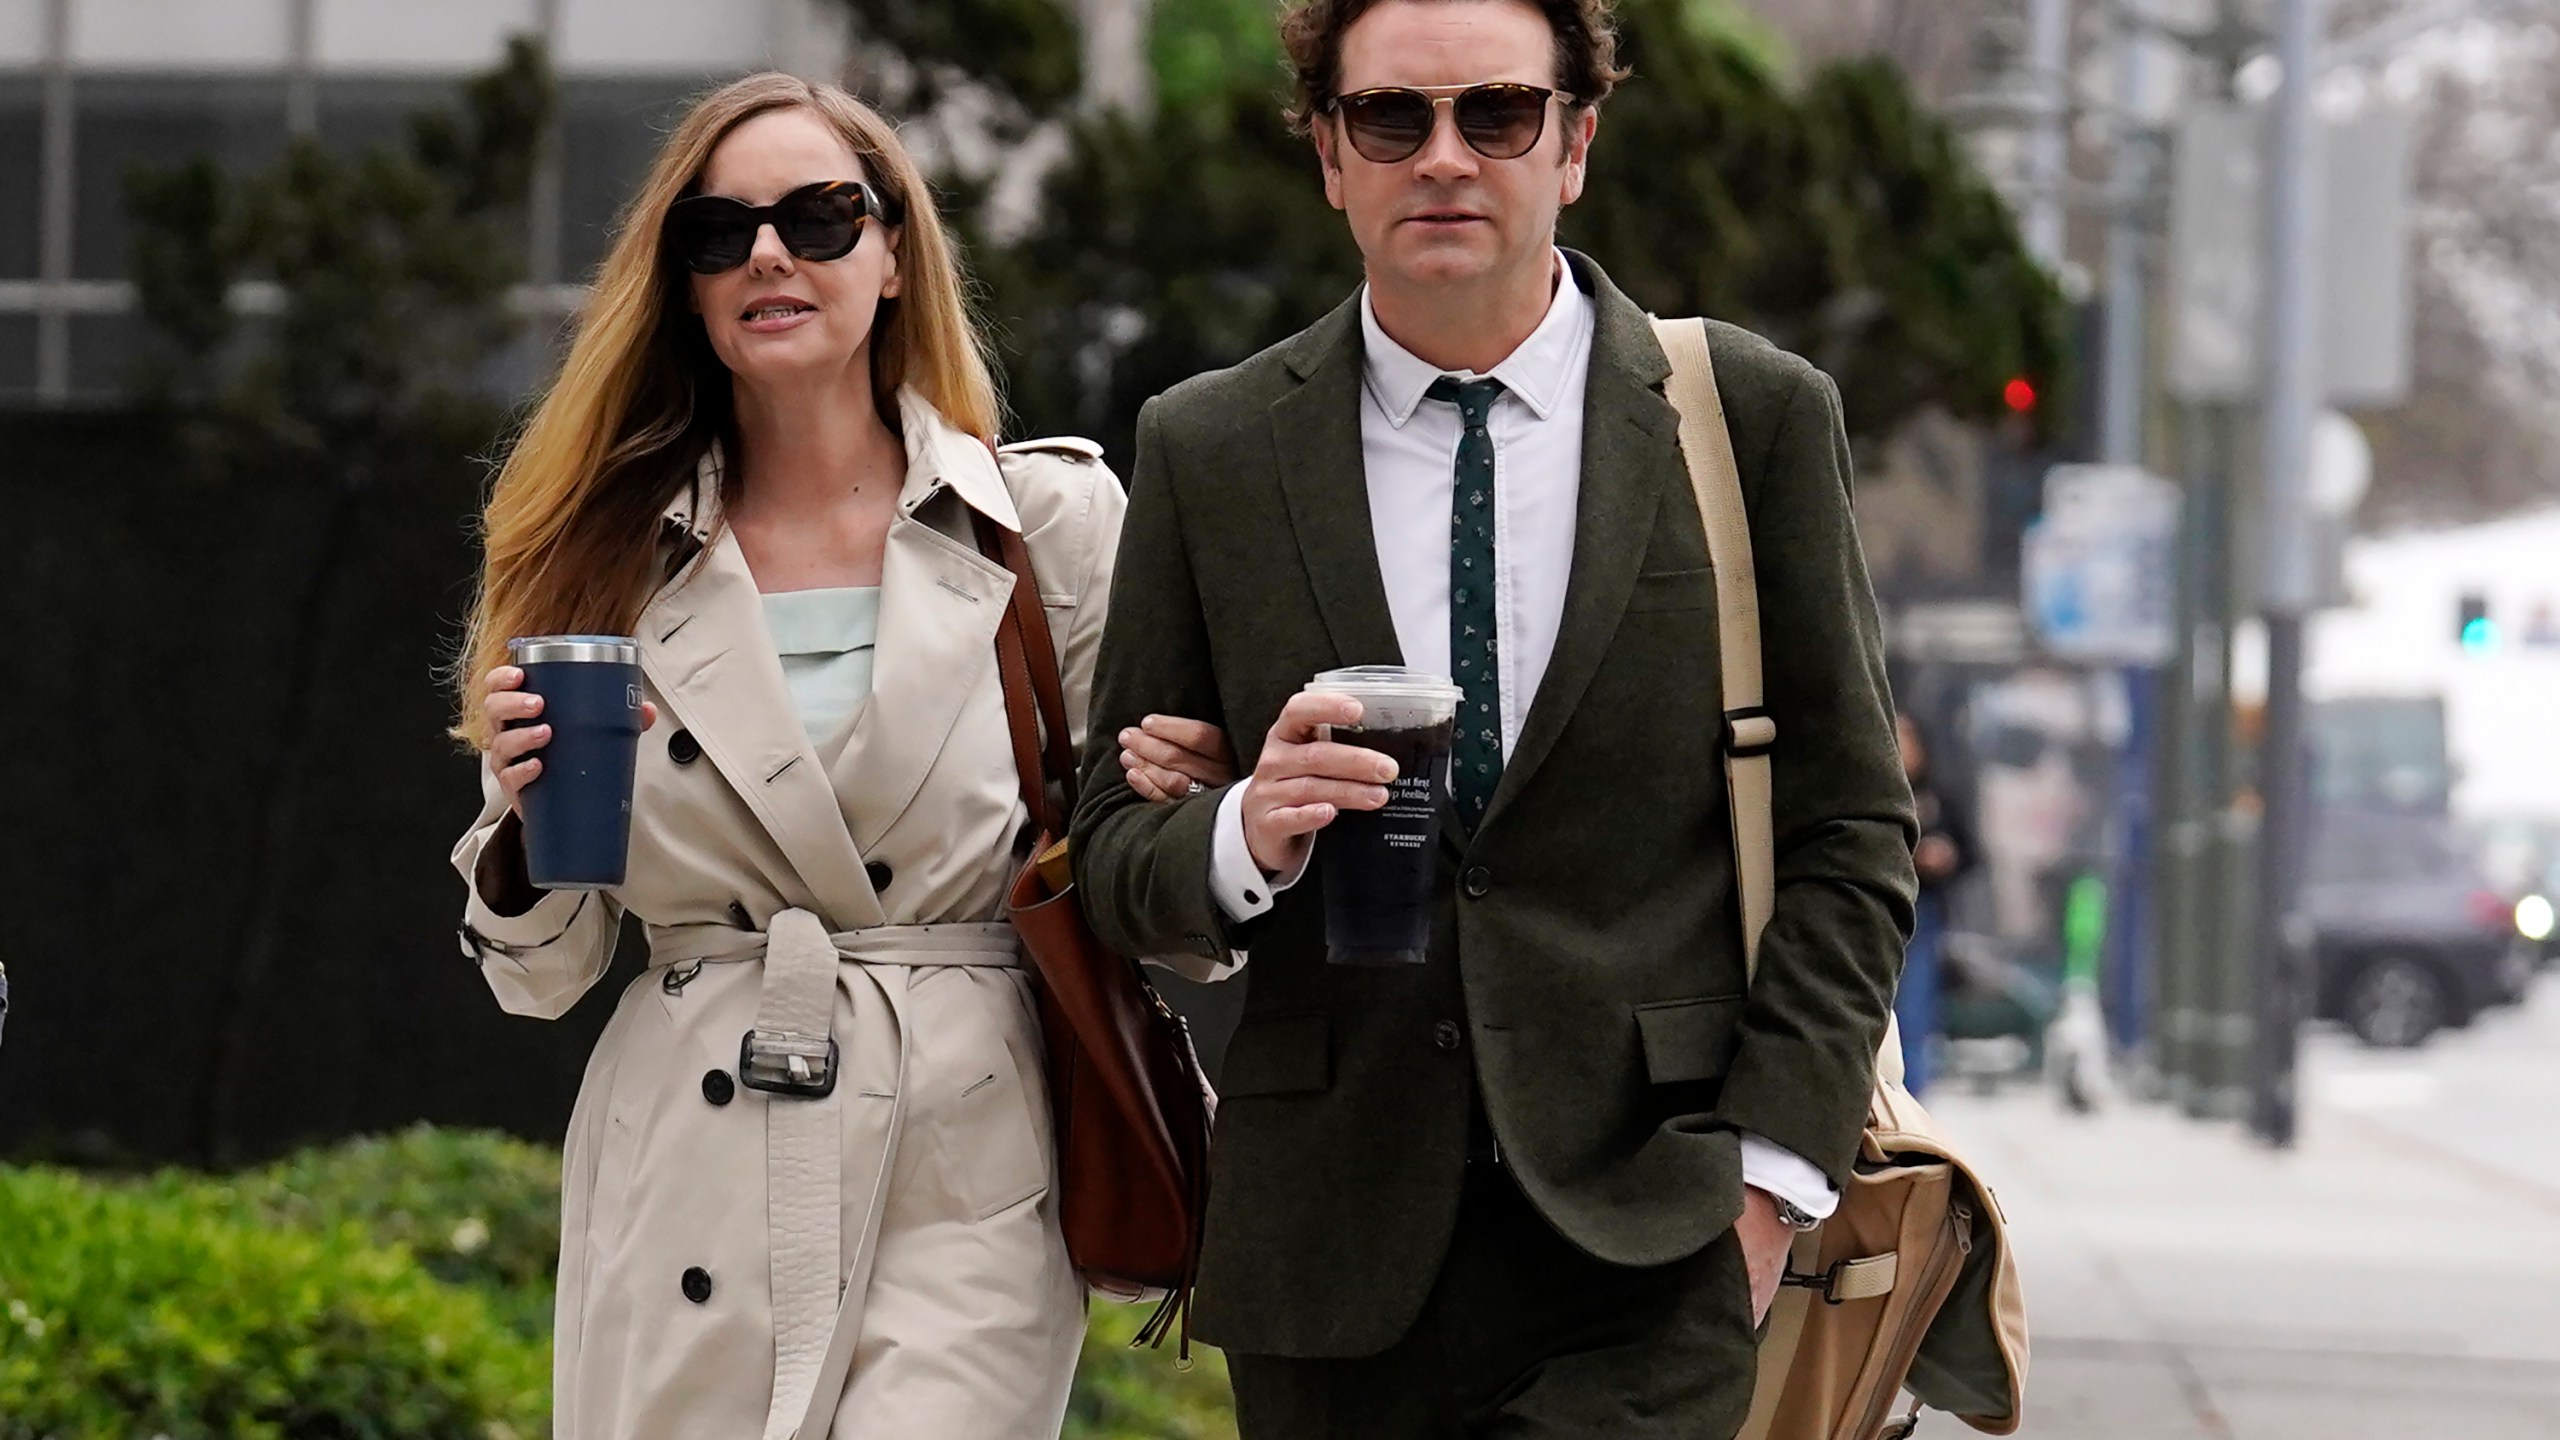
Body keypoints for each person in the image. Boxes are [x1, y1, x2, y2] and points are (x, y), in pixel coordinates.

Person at [1074, 0, 1918, 1433]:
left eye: (1499, 116)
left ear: (1576, 143)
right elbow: (1113, 855)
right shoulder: (1207, 449)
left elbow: (1850, 829)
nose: (1445, 158)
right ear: (1332, 157)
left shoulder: (1746, 421)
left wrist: (1772, 1178)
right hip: (1331, 1244)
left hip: (1651, 1234)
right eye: (1393, 118)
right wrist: (1242, 834)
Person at [447, 72, 1227, 1440]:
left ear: (892, 254)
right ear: (682, 284)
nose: (767, 255)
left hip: (965, 1151)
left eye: (818, 217)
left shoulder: (1041, 524)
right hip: (689, 1155)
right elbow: (548, 972)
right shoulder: (595, 553)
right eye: (718, 232)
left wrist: (1194, 802)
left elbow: (1149, 878)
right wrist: (518, 830)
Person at [1894, 710, 1979, 1096]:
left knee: (1914, 1013)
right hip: (1875, 914)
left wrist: (1944, 857)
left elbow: (1971, 852)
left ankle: (1912, 1098)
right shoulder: (1871, 797)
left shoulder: (1938, 798)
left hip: (1922, 915)